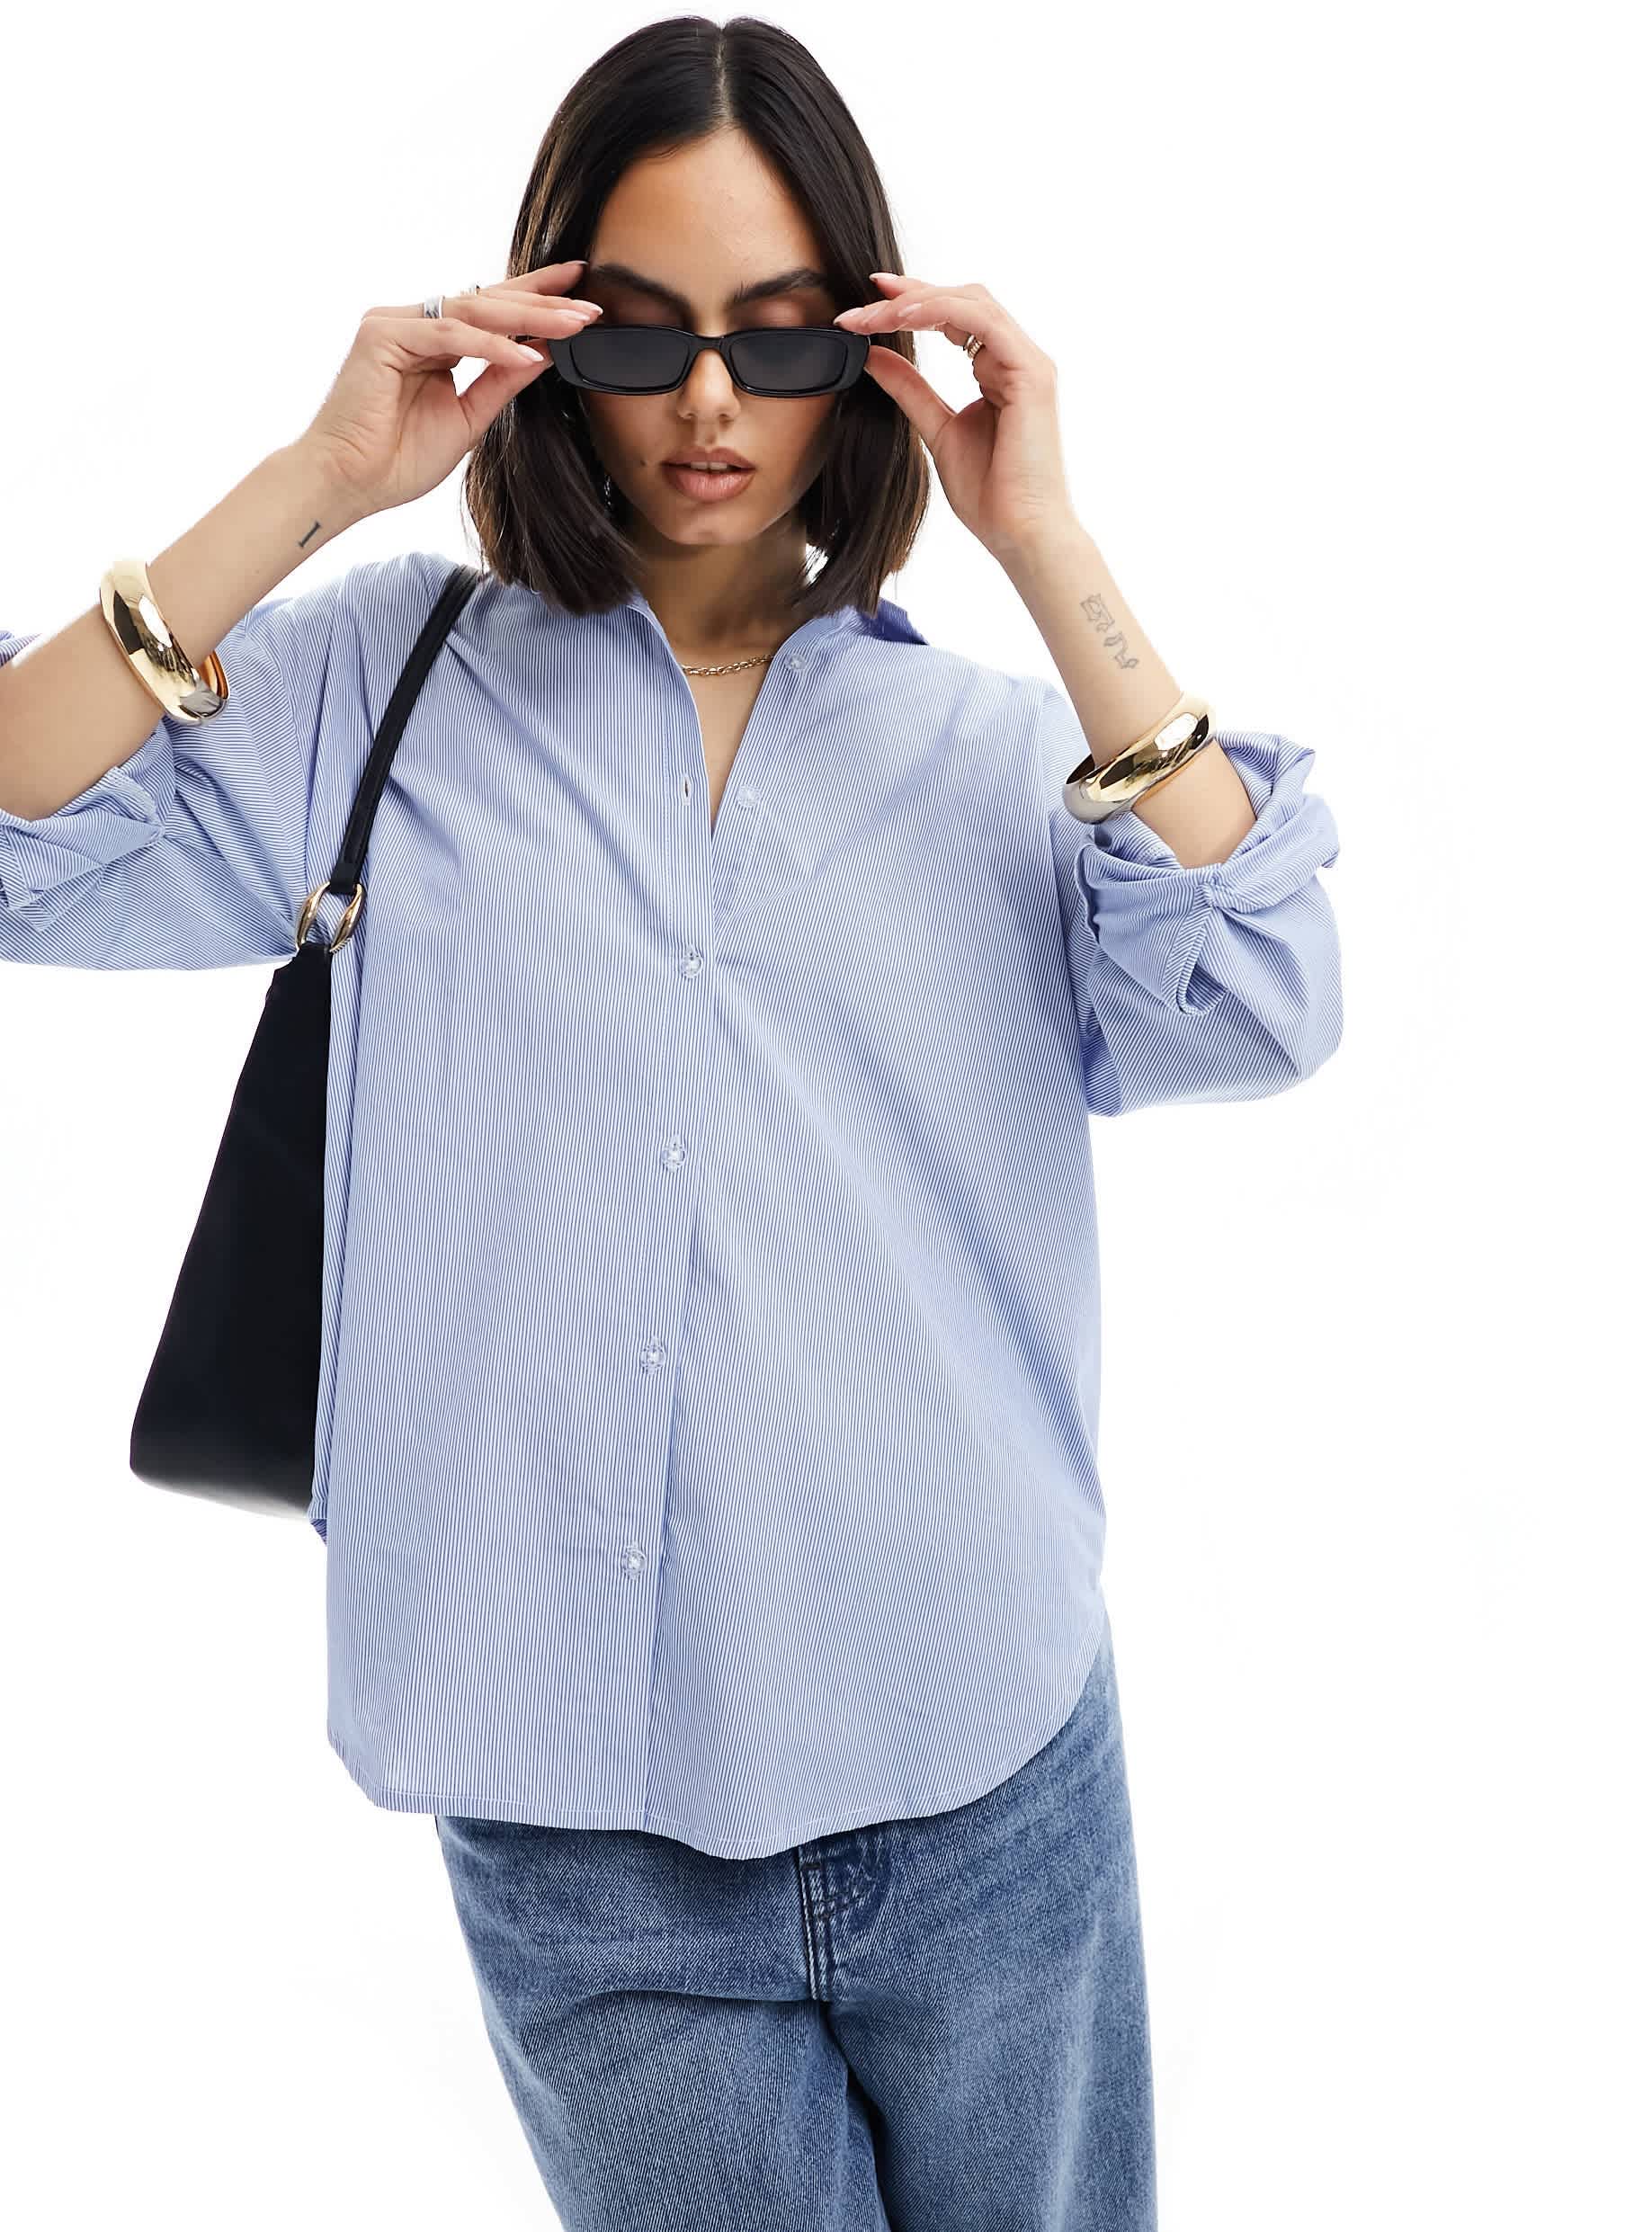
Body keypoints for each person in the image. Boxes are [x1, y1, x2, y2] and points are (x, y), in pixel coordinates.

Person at [0, 17, 1343, 2230]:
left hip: (980, 1760)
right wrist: (319, 479)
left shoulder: (1010, 757)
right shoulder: (378, 686)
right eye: (641, 331)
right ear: (542, 332)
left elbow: (1269, 989)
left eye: (781, 333)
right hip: (571, 1819)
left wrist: (1044, 534)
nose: (710, 403)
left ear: (871, 346)